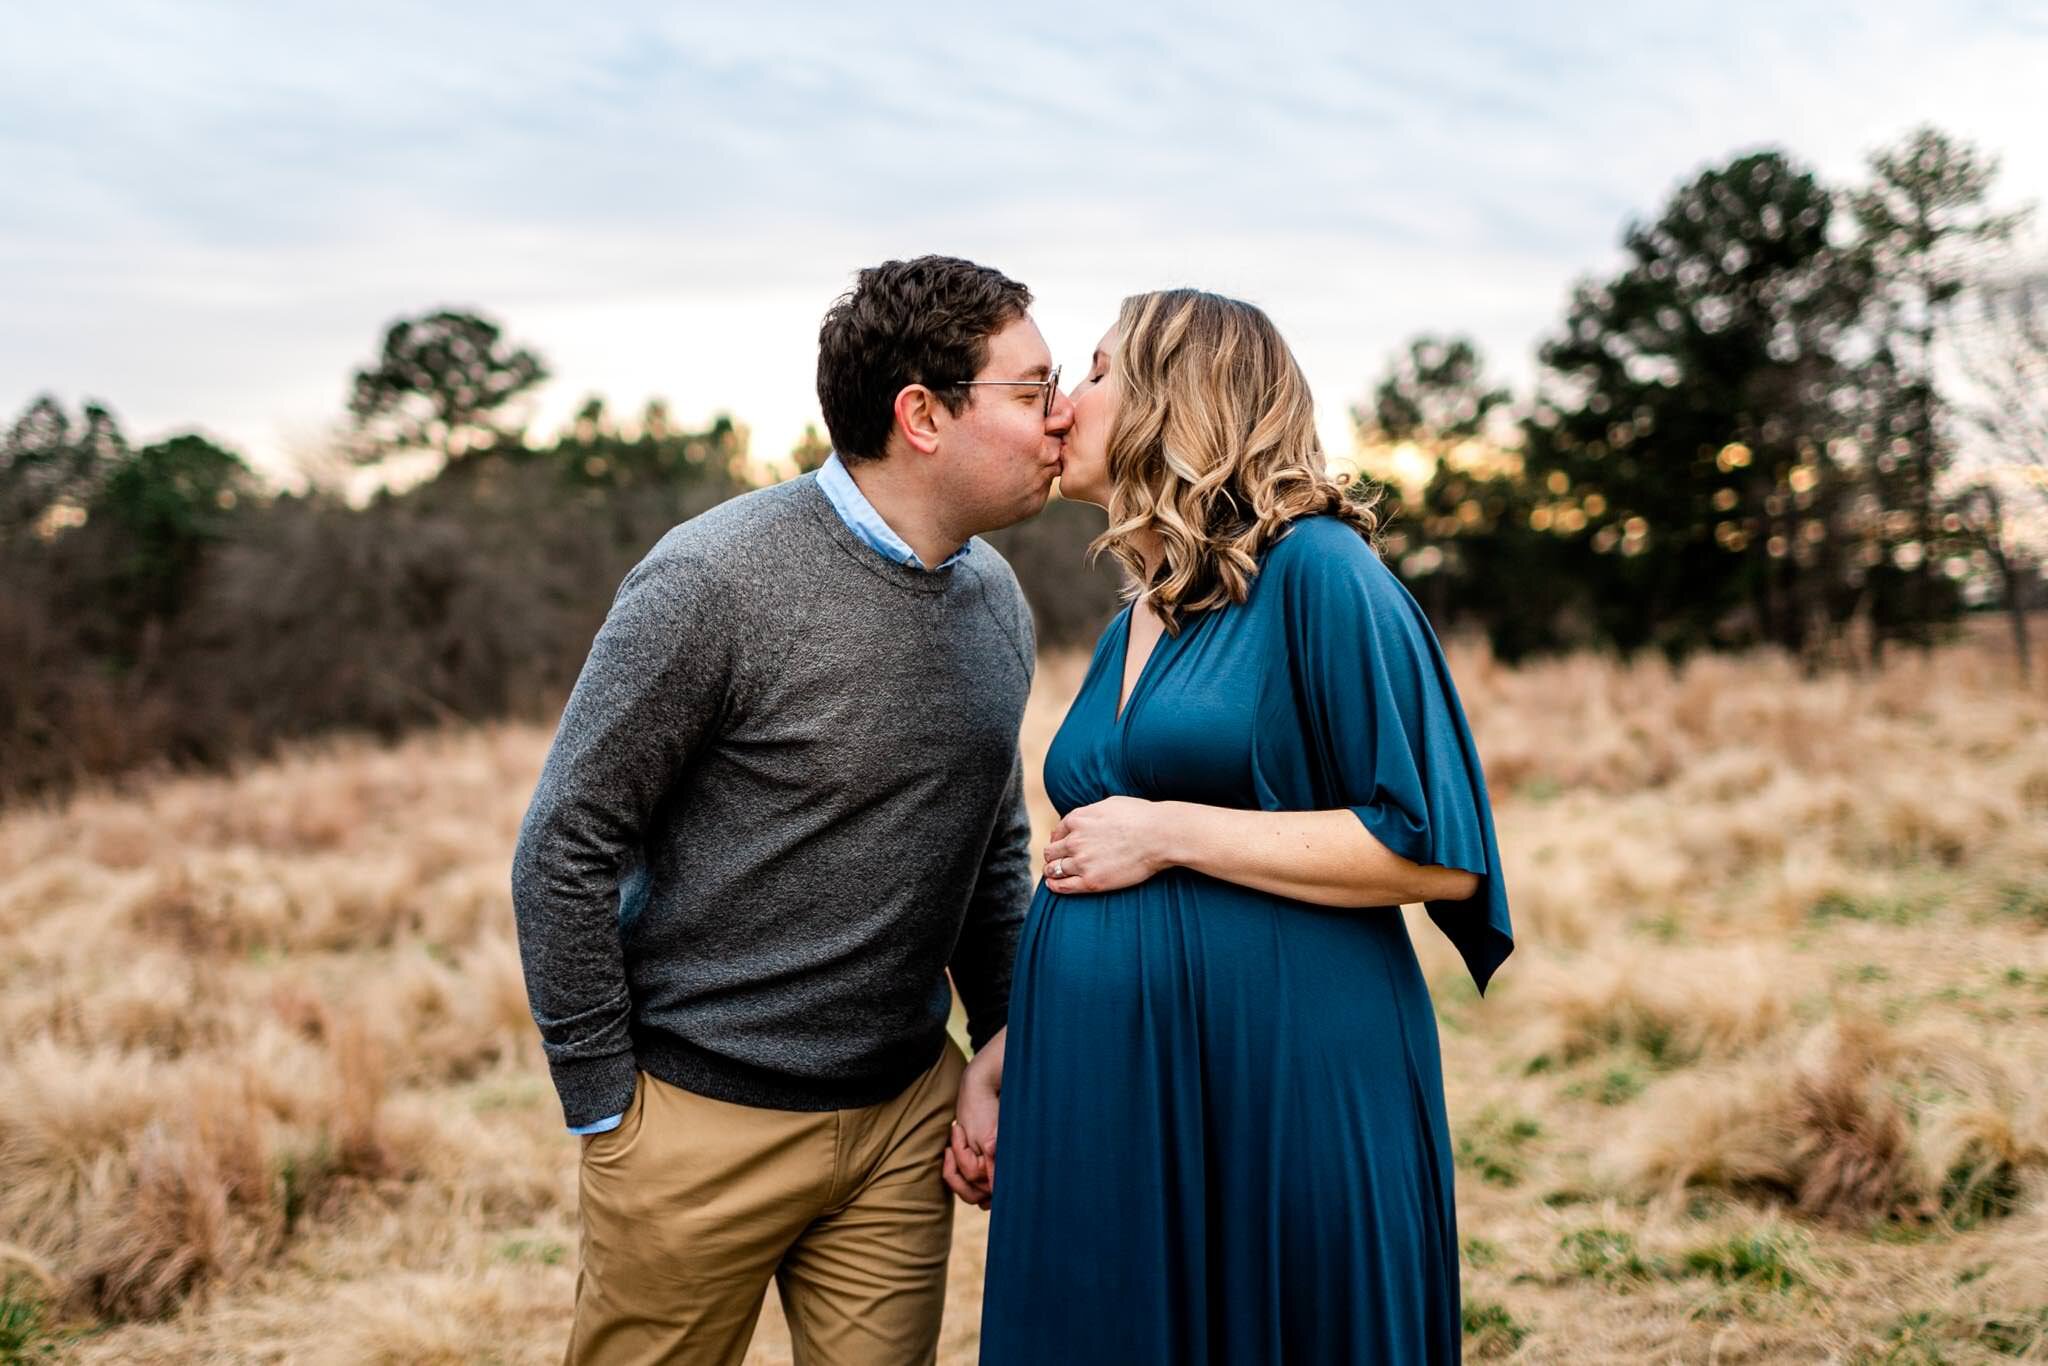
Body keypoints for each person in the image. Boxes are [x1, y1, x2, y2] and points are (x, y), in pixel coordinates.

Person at [510, 254, 1070, 1366]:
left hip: (903, 1116)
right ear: (922, 415)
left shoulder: (994, 593)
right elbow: (564, 844)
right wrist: (605, 1110)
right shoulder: (712, 582)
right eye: (1030, 389)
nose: (1061, 420)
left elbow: (987, 843)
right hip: (694, 1121)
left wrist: (1002, 1036)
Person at [957, 289, 1515, 1364]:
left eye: (1097, 371)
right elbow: (1102, 862)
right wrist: (1011, 1049)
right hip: (1112, 1090)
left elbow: (1434, 851)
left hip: (1277, 1082)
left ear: (1179, 398)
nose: (1064, 405)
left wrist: (1173, 831)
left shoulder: (1320, 571)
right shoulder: (1141, 611)